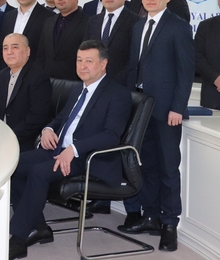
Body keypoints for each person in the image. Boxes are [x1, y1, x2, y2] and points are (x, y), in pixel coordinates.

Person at [8, 40, 131, 260]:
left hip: (86, 157)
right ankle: (38, 226)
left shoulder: (117, 94)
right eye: (79, 60)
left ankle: (18, 237)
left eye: (89, 61)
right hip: (60, 149)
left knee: (38, 172)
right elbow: (60, 119)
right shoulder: (78, 89)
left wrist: (74, 148)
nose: (82, 66)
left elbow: (111, 135)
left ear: (104, 64)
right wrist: (47, 129)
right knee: (14, 164)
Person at [119, 0, 194, 252]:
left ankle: (169, 223)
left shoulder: (178, 27)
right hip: (141, 110)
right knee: (145, 165)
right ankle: (149, 215)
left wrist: (177, 107)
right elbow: (133, 68)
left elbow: (185, 72)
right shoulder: (138, 26)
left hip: (166, 111)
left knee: (167, 168)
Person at [0, 33, 52, 152]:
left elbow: (38, 116)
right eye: (5, 48)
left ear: (28, 51)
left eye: (15, 47)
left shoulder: (38, 77)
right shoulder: (0, 76)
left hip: (24, 139)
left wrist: (10, 136)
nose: (9, 52)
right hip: (0, 136)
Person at [83, 0, 138, 85]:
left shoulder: (136, 22)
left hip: (122, 85)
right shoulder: (93, 21)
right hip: (94, 82)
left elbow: (134, 60)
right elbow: (86, 52)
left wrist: (114, 81)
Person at [0, 0, 55, 71]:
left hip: (36, 74)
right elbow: (0, 48)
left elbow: (47, 52)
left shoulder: (49, 17)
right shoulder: (7, 17)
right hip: (8, 74)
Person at [36, 0, 89, 80]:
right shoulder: (49, 21)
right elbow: (41, 56)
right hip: (47, 82)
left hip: (74, 83)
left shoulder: (88, 22)